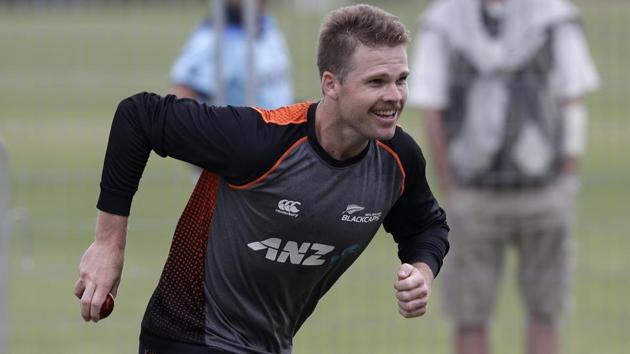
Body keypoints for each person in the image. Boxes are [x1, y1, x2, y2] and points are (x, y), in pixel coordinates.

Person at [73, 4, 449, 354]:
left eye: (401, 79)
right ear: (331, 84)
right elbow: (138, 117)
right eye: (377, 82)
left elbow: (426, 225)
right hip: (188, 335)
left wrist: (421, 272)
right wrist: (108, 245)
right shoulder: (259, 141)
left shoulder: (398, 159)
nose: (395, 96)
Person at [408, 0, 599, 354]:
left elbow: (573, 99)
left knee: (545, 312)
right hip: (474, 193)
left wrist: (566, 181)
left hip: (543, 191)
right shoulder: (443, 21)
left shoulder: (554, 17)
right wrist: (450, 185)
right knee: (470, 315)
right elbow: (431, 106)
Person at [169, 0, 293, 108]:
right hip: (244, 132)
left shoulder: (267, 24)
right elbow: (181, 96)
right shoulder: (210, 40)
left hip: (280, 130)